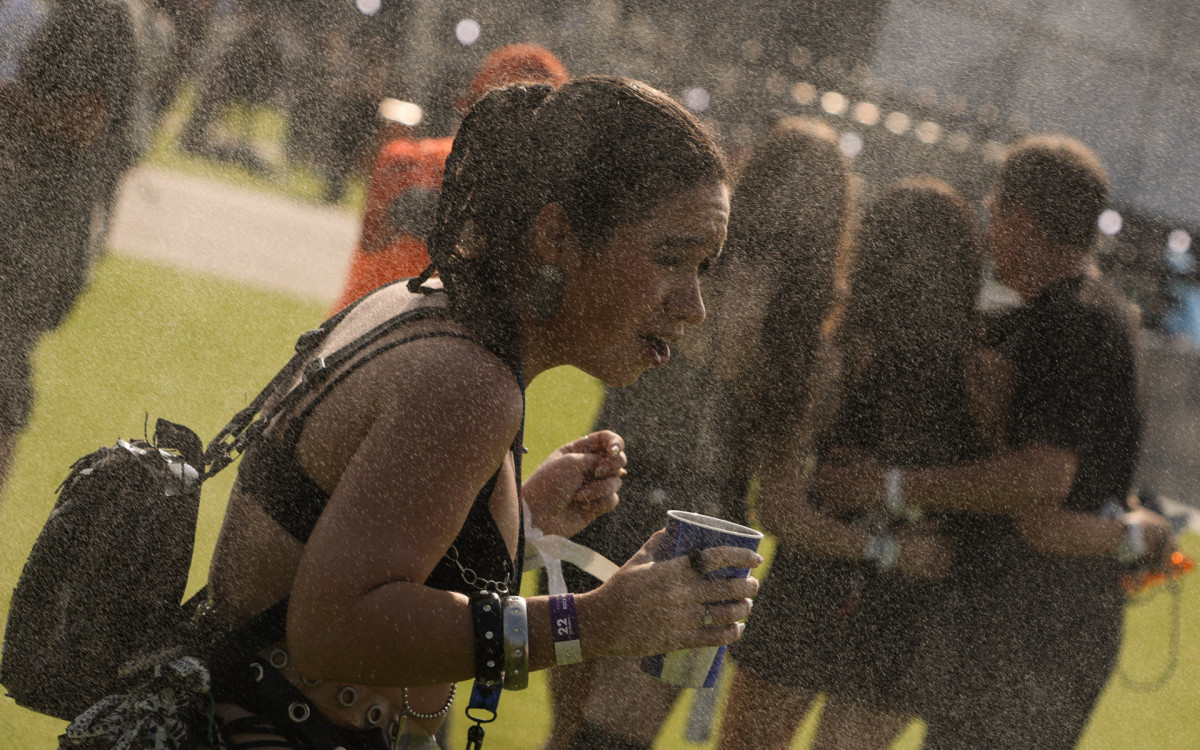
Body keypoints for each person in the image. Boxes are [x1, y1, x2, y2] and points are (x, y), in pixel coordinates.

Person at [203, 76, 760, 750]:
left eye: (705, 267)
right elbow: (333, 629)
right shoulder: (466, 385)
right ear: (556, 233)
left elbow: (366, 559)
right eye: (671, 257)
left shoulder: (431, 310)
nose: (693, 305)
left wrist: (519, 522)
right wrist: (591, 624)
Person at [545, 117, 854, 750]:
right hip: (706, 533)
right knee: (619, 735)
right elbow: (781, 489)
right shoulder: (809, 340)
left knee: (571, 728)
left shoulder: (678, 274)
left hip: (604, 493)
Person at [910, 135, 1178, 749]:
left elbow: (1043, 482)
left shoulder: (1073, 324)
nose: (988, 228)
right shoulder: (1080, 314)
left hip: (1036, 629)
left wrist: (894, 485)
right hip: (1037, 623)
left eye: (994, 211)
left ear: (1023, 219)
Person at [719, 178, 988, 750]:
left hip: (813, 592)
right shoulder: (983, 373)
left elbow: (777, 509)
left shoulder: (832, 358)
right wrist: (897, 545)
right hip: (905, 610)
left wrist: (879, 535)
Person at [0, 0, 141, 502]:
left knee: (3, 372)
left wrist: (6, 98)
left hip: (40, 240)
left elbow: (85, 121)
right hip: (25, 227)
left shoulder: (99, 15)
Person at [329, 43, 569, 314]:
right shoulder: (410, 160)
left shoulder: (537, 198)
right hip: (375, 334)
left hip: (399, 338)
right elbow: (396, 220)